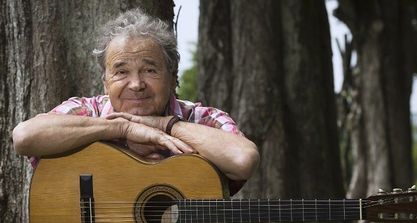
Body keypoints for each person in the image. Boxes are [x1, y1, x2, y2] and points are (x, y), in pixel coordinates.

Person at [12, 9, 259, 195]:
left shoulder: (202, 119)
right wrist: (121, 127)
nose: (136, 84)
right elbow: (24, 138)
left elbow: (242, 160)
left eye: (150, 70)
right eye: (121, 72)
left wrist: (166, 125)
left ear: (173, 78)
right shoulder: (88, 112)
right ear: (105, 82)